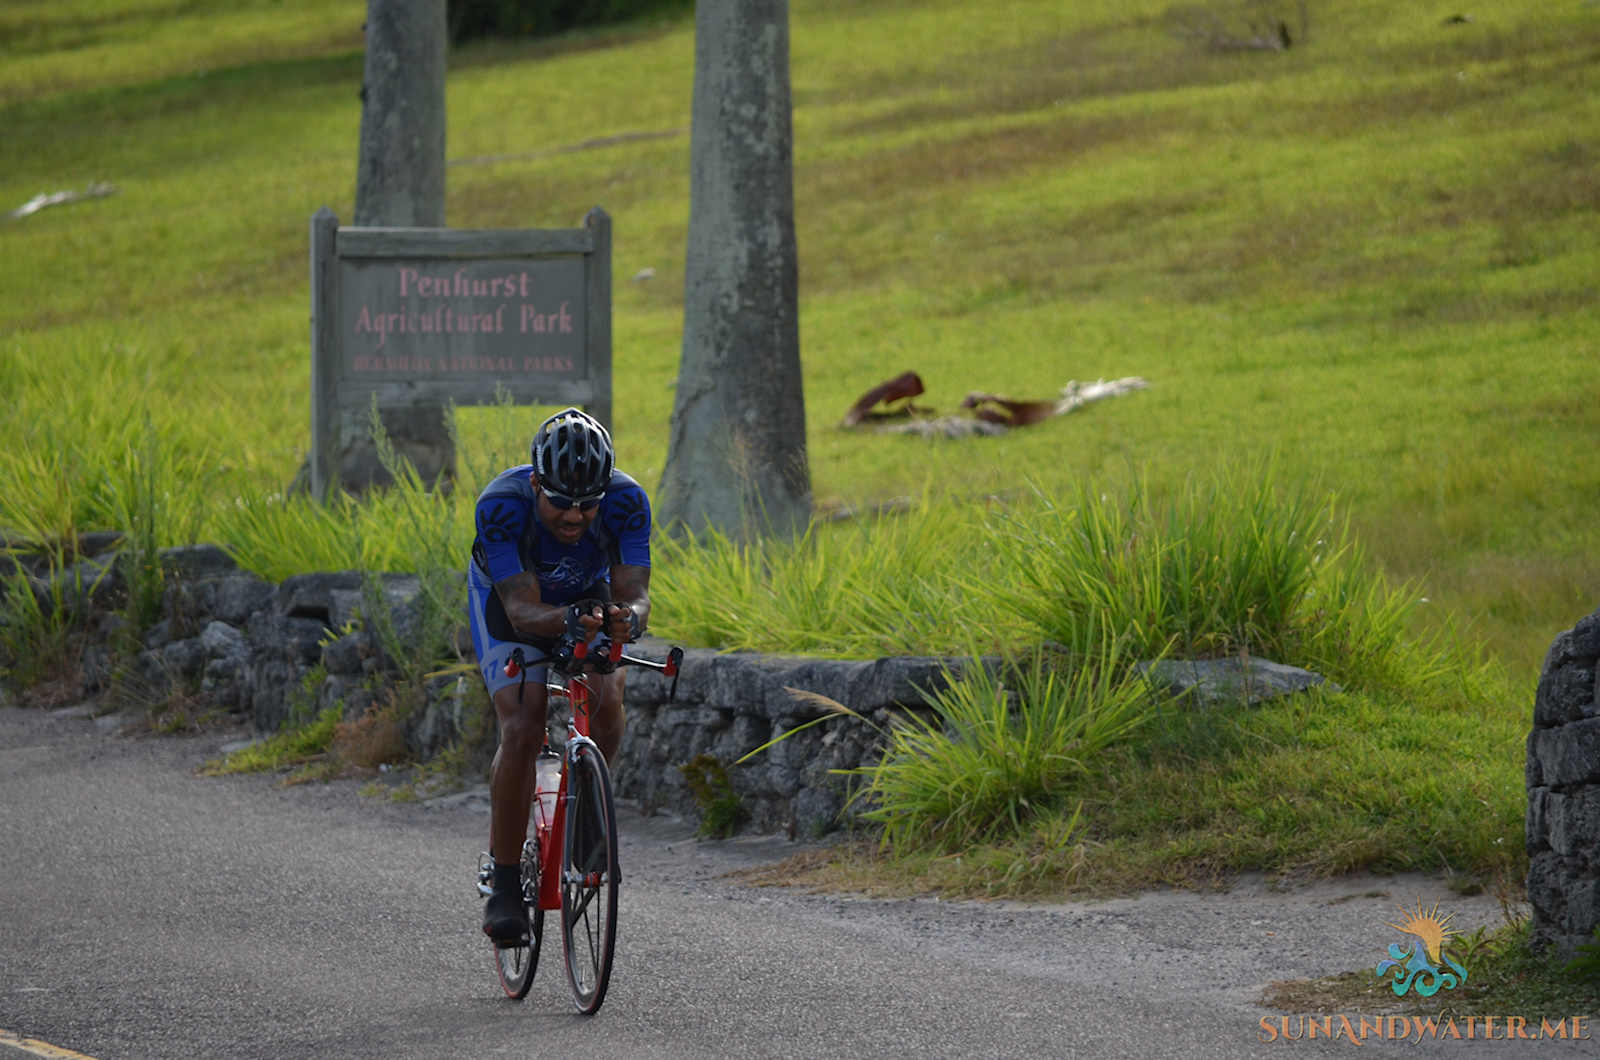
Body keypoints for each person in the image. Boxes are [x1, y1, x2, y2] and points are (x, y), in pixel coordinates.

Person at [469, 407, 652, 941]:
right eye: (561, 503)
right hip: (510, 602)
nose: (575, 516)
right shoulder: (502, 505)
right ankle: (505, 885)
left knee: (608, 699)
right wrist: (569, 622)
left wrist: (626, 620)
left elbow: (636, 595)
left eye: (588, 505)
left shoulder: (627, 501)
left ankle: (587, 820)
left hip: (584, 595)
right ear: (535, 484)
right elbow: (524, 612)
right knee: (523, 725)